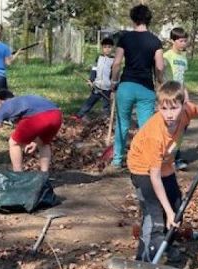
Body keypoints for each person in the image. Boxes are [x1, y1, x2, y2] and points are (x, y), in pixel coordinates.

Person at [127, 81, 198, 263]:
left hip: (165, 165)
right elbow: (154, 177)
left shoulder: (186, 112)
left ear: (182, 106)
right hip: (142, 168)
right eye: (164, 109)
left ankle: (165, 245)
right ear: (158, 107)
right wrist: (165, 208)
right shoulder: (154, 134)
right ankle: (144, 260)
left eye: (173, 109)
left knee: (176, 208)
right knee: (155, 215)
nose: (169, 115)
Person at [109, 4, 165, 172]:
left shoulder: (125, 38)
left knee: (122, 124)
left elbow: (117, 62)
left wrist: (113, 81)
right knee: (146, 127)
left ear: (133, 19)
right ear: (149, 20)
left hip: (126, 86)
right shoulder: (155, 41)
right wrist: (160, 82)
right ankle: (145, 160)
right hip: (146, 88)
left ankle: (117, 161)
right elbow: (160, 67)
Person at [0, 90, 62, 173]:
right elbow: (43, 116)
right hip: (56, 115)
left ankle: (18, 176)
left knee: (14, 143)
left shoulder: (5, 106)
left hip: (38, 117)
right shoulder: (24, 99)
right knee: (44, 144)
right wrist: (35, 141)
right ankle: (44, 176)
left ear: (0, 101)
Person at [163, 27, 190, 171]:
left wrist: (186, 95)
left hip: (181, 96)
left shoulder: (183, 57)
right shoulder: (167, 56)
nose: (184, 43)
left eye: (185, 41)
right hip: (170, 97)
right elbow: (161, 76)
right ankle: (168, 156)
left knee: (182, 127)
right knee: (171, 128)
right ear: (173, 41)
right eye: (181, 41)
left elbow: (182, 79)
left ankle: (176, 156)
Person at [72, 37, 115, 122]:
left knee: (106, 105)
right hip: (97, 86)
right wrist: (91, 80)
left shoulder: (113, 60)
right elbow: (94, 70)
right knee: (90, 101)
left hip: (107, 88)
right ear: (102, 48)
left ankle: (107, 120)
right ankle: (79, 115)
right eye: (105, 47)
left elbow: (114, 75)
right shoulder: (98, 58)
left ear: (112, 48)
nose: (107, 49)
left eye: (109, 47)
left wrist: (113, 87)